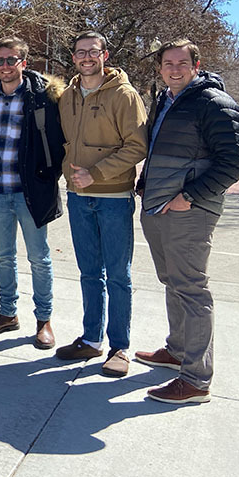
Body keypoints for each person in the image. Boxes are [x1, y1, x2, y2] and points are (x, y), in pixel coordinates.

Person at [134, 39, 239, 404]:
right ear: (160, 68)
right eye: (168, 63)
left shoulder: (214, 103)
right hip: (158, 208)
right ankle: (178, 349)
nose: (175, 69)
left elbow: (233, 163)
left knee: (192, 289)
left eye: (182, 63)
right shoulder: (165, 99)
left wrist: (190, 196)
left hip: (190, 212)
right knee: (173, 282)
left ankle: (196, 380)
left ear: (196, 66)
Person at [54, 32, 147, 377]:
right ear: (74, 57)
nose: (86, 58)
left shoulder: (124, 95)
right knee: (89, 273)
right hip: (79, 198)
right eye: (80, 53)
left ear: (105, 55)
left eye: (93, 52)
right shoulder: (67, 97)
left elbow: (137, 146)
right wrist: (72, 175)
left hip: (113, 199)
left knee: (118, 275)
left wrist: (97, 173)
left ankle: (119, 347)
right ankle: (91, 340)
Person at [0, 36, 64, 350]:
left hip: (30, 192)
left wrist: (48, 176)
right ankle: (8, 313)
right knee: (4, 257)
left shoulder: (42, 97)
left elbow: (57, 141)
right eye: (0, 61)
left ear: (24, 62)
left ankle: (44, 319)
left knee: (39, 258)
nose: (5, 66)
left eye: (12, 60)